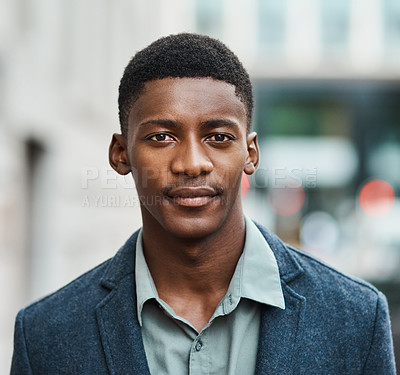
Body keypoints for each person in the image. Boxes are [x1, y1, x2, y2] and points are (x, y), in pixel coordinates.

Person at [11, 33, 396, 375]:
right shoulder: (45, 334)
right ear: (120, 153)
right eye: (162, 137)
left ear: (251, 153)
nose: (192, 163)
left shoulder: (357, 318)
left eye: (218, 137)